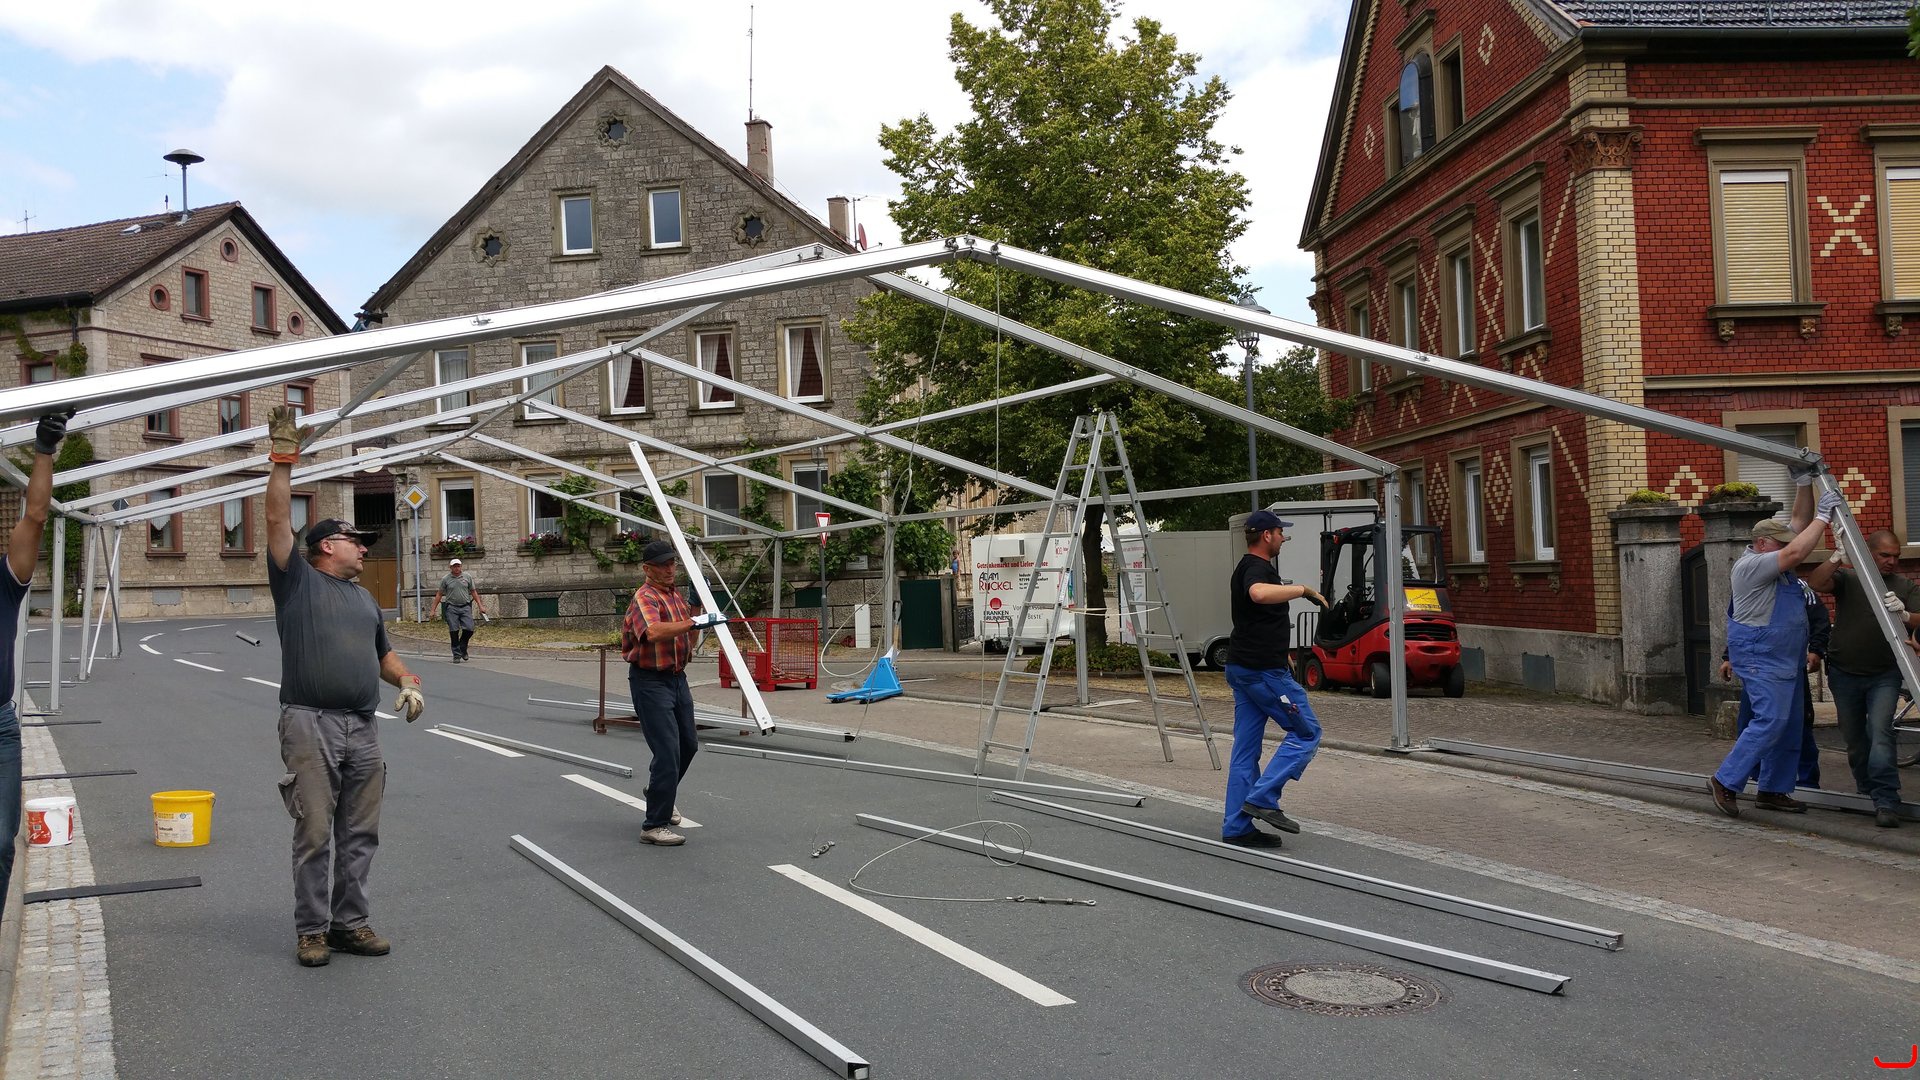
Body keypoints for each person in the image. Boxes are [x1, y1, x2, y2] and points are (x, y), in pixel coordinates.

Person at [265, 406, 426, 967]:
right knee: (314, 830)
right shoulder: (296, 582)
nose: (365, 548)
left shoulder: (364, 599)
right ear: (327, 546)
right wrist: (283, 461)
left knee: (360, 832)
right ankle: (311, 929)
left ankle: (348, 923)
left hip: (362, 726)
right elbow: (276, 521)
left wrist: (406, 679)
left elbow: (382, 654)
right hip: (309, 721)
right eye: (355, 541)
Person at [1708, 480, 1840, 818]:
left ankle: (1773, 789)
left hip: (1786, 659)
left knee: (1789, 726)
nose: (1788, 546)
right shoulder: (1752, 565)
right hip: (1762, 658)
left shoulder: (1772, 558)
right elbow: (1796, 551)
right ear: (1763, 543)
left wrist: (1804, 484)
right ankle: (1725, 780)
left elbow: (1798, 524)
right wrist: (1824, 517)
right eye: (1781, 543)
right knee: (1772, 720)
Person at [1220, 510, 1328, 848]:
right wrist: (1302, 589)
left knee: (1245, 751)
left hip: (1244, 668)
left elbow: (1259, 618)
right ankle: (1264, 798)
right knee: (1307, 733)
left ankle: (1236, 827)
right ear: (1266, 535)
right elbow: (1258, 594)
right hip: (1262, 672)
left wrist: (1284, 654)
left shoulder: (1248, 567)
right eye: (1281, 532)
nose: (1283, 538)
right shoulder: (1256, 569)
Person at [0, 412, 68, 921]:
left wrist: (44, 449)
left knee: (2, 843)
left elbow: (36, 516)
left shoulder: (4, 581)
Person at [1805, 528, 1920, 828]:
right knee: (1855, 739)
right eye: (1885, 555)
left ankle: (1886, 799)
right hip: (1844, 673)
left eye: (1896, 556)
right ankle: (1865, 791)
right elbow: (1816, 583)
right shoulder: (1851, 579)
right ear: (1869, 553)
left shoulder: (1904, 586)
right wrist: (1837, 557)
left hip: (1885, 674)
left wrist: (1905, 616)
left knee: (1881, 732)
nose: (1891, 561)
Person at [620, 540, 727, 847]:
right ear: (647, 568)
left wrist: (696, 606)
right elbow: (653, 631)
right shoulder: (645, 597)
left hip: (677, 679)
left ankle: (658, 792)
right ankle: (654, 825)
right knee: (667, 752)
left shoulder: (674, 596)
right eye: (663, 565)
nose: (670, 569)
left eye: (672, 563)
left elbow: (688, 641)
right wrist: (693, 621)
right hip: (650, 682)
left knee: (688, 745)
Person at [1719, 581, 1829, 789]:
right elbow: (1740, 624)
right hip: (1755, 668)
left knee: (1797, 725)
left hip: (1789, 668)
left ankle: (1806, 781)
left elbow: (1819, 617)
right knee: (1752, 723)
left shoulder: (1799, 587)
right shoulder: (1750, 584)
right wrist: (1729, 656)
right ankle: (1755, 777)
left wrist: (1816, 649)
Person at [429, 558, 486, 662]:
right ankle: (456, 654)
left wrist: (480, 605)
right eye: (454, 566)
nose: (456, 568)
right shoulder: (446, 579)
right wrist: (433, 610)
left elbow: (473, 591)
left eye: (458, 566)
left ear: (461, 567)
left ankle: (462, 647)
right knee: (454, 630)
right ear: (450, 567)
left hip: (465, 606)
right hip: (451, 607)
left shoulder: (467, 577)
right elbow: (439, 594)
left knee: (469, 628)